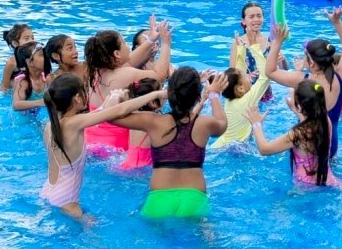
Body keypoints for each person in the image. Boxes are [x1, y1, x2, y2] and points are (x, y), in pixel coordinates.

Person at [40, 73, 167, 217]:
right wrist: (156, 94)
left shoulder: (50, 125)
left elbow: (100, 113)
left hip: (47, 192)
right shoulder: (74, 124)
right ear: (77, 98)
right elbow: (120, 111)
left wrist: (111, 100)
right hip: (66, 203)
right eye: (84, 91)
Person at [111, 68, 229, 218]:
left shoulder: (153, 121)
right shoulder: (205, 123)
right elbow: (222, 124)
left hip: (158, 199)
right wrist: (213, 94)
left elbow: (113, 115)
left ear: (169, 94)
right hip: (193, 199)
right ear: (198, 97)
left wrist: (154, 94)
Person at [264, 6, 342, 158]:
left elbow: (270, 71)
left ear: (311, 63)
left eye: (305, 56)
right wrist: (337, 22)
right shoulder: (340, 77)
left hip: (308, 145)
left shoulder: (304, 80)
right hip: (331, 144)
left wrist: (277, 42)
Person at [84, 22, 171, 152]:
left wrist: (151, 39)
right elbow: (159, 76)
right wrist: (166, 43)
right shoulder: (125, 74)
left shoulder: (94, 72)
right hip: (115, 147)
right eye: (124, 42)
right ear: (117, 53)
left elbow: (129, 60)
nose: (128, 46)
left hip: (90, 141)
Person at [245, 80, 338, 187]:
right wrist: (295, 108)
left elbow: (264, 149)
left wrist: (256, 124)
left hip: (305, 186)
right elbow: (308, 125)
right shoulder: (325, 120)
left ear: (300, 107)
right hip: (327, 179)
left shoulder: (297, 134)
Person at [209, 67, 271, 149]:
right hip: (236, 148)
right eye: (246, 76)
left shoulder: (228, 101)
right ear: (240, 88)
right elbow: (265, 76)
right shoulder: (246, 100)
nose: (249, 77)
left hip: (219, 145)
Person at [229, 1, 273, 103]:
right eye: (251, 17)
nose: (256, 19)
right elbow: (232, 72)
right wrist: (246, 76)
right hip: (245, 93)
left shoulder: (270, 41)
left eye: (259, 16)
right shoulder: (238, 42)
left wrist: (282, 60)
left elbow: (284, 68)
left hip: (265, 93)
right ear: (244, 21)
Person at [119, 78, 164, 170]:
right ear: (152, 103)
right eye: (162, 94)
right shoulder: (155, 121)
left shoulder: (132, 115)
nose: (165, 97)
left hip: (126, 166)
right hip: (144, 169)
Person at [12, 41, 51, 113]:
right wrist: (41, 102)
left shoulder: (46, 78)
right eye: (42, 55)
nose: (46, 57)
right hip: (23, 117)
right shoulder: (23, 82)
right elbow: (16, 105)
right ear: (30, 62)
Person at [0, 23, 33, 92]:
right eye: (26, 38)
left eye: (32, 38)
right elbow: (4, 86)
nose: (32, 41)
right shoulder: (12, 62)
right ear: (15, 43)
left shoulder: (35, 58)